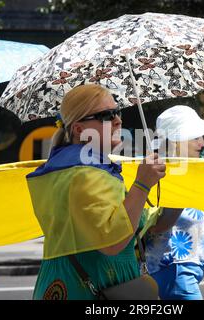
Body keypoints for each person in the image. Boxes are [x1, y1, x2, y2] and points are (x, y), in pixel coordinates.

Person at [28, 84, 165, 300]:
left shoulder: (74, 167)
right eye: (106, 115)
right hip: (89, 289)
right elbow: (112, 241)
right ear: (79, 129)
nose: (118, 120)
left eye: (117, 112)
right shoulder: (84, 173)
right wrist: (142, 184)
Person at [144, 105, 204, 300]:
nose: (202, 143)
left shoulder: (183, 173)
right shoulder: (162, 175)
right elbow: (156, 226)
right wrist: (184, 192)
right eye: (195, 137)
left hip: (180, 269)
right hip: (174, 269)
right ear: (175, 142)